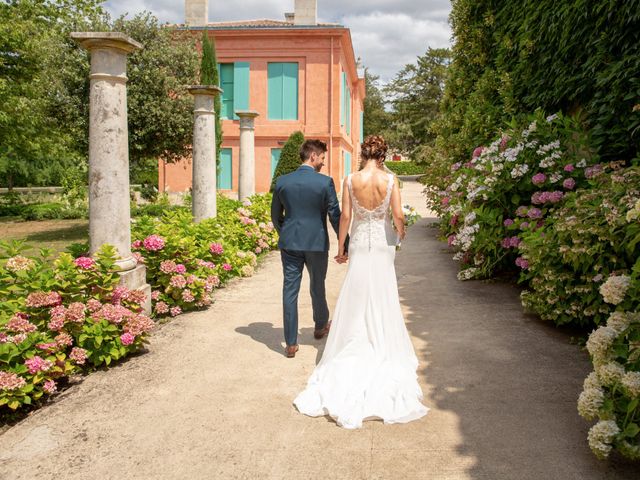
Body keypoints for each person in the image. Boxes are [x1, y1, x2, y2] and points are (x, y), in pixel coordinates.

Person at [293, 135, 429, 429]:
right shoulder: (390, 181)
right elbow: (396, 215)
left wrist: (341, 248)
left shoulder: (350, 179)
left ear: (364, 153)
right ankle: (381, 343)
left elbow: (344, 218)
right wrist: (401, 232)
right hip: (382, 244)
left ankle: (353, 342)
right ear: (382, 155)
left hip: (359, 244)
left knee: (356, 293)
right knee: (382, 293)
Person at [270, 139, 346, 358]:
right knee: (317, 285)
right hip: (316, 243)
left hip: (290, 243)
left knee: (289, 290)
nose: (323, 162)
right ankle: (321, 326)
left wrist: (286, 233)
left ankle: (291, 343)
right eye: (322, 157)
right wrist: (345, 244)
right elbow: (335, 215)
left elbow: (276, 216)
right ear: (313, 156)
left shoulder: (283, 181)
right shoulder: (325, 183)